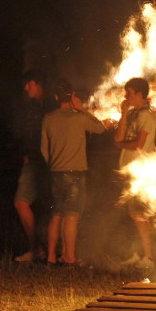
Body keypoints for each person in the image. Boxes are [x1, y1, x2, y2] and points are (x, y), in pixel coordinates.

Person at [41, 77, 106, 266]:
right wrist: (82, 109)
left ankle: (52, 257)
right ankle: (70, 257)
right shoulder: (79, 118)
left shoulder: (49, 118)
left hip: (55, 172)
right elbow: (100, 128)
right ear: (73, 96)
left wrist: (53, 164)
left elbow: (44, 149)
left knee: (56, 215)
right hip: (76, 173)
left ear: (55, 97)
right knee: (71, 215)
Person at [13, 69, 57, 262]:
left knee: (53, 208)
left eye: (29, 84)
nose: (26, 88)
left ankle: (56, 252)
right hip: (32, 162)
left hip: (52, 164)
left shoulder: (53, 105)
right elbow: (23, 132)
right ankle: (35, 249)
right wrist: (24, 152)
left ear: (39, 84)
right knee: (21, 202)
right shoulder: (28, 108)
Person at [115, 78, 156, 270]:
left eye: (130, 93)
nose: (126, 96)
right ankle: (137, 253)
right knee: (133, 213)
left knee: (139, 214)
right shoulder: (132, 113)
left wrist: (121, 145)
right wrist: (124, 113)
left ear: (141, 94)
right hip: (128, 168)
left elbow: (138, 144)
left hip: (141, 171)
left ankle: (148, 257)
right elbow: (118, 137)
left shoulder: (147, 116)